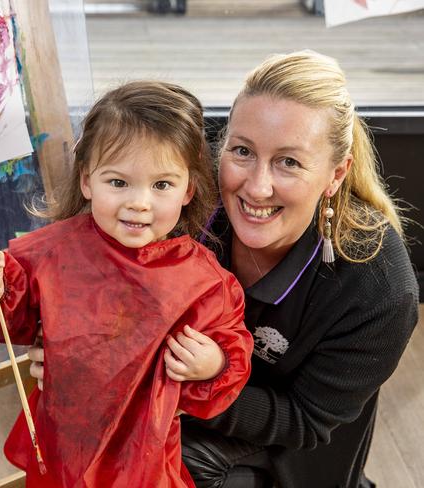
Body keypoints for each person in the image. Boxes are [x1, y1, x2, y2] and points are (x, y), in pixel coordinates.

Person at [28, 51, 419, 488]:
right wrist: (81, 358)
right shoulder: (180, 204)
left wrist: (156, 386)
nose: (257, 186)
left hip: (286, 450)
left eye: (289, 162)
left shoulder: (380, 289)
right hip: (166, 406)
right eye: (242, 151)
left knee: (181, 465)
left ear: (336, 173)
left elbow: (303, 421)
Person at [0, 80, 254, 487]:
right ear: (86, 181)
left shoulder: (203, 282)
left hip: (144, 459)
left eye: (161, 185)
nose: (139, 202)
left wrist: (214, 365)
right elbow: (12, 321)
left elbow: (227, 355)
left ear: (188, 189)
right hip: (63, 447)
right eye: (118, 183)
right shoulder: (54, 250)